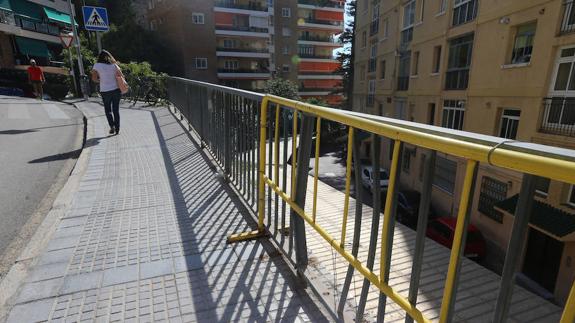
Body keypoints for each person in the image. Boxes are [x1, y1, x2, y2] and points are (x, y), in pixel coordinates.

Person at [91, 50, 123, 135]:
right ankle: (117, 128)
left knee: (108, 110)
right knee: (116, 110)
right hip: (116, 90)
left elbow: (94, 79)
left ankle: (111, 126)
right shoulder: (114, 65)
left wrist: (101, 80)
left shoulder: (97, 65)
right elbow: (121, 76)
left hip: (105, 91)